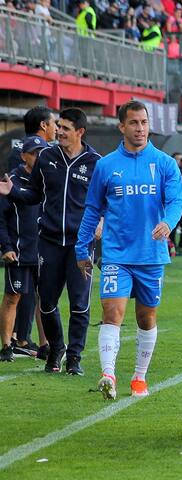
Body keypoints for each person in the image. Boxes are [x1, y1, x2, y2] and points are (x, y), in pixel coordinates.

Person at [74, 101, 182, 399]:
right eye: (134, 123)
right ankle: (108, 374)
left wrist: (168, 223)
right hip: (116, 255)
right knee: (112, 312)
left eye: (144, 122)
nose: (140, 128)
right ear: (121, 126)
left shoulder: (164, 164)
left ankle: (139, 377)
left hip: (151, 255)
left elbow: (175, 201)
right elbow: (92, 208)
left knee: (146, 318)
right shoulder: (107, 165)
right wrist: (81, 248)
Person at [0, 108, 101, 375]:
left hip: (82, 245)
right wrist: (13, 191)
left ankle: (75, 358)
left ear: (80, 132)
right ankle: (56, 348)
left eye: (66, 128)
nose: (59, 131)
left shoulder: (95, 162)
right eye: (58, 126)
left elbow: (107, 200)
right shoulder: (47, 157)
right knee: (46, 301)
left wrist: (103, 221)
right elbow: (33, 193)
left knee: (80, 303)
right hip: (49, 242)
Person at [5, 106, 56, 359]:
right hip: (22, 241)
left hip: (40, 240)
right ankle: (17, 339)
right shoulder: (19, 164)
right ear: (44, 126)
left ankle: (29, 339)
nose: (57, 128)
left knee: (39, 294)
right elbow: (15, 201)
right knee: (18, 292)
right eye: (54, 123)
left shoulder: (46, 163)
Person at [0, 137, 47, 362]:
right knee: (12, 297)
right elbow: (1, 217)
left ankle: (47, 344)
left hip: (45, 251)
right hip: (19, 251)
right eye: (34, 152)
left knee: (46, 299)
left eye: (42, 152)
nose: (39, 157)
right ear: (23, 156)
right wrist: (6, 246)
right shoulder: (12, 180)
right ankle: (7, 346)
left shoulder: (49, 179)